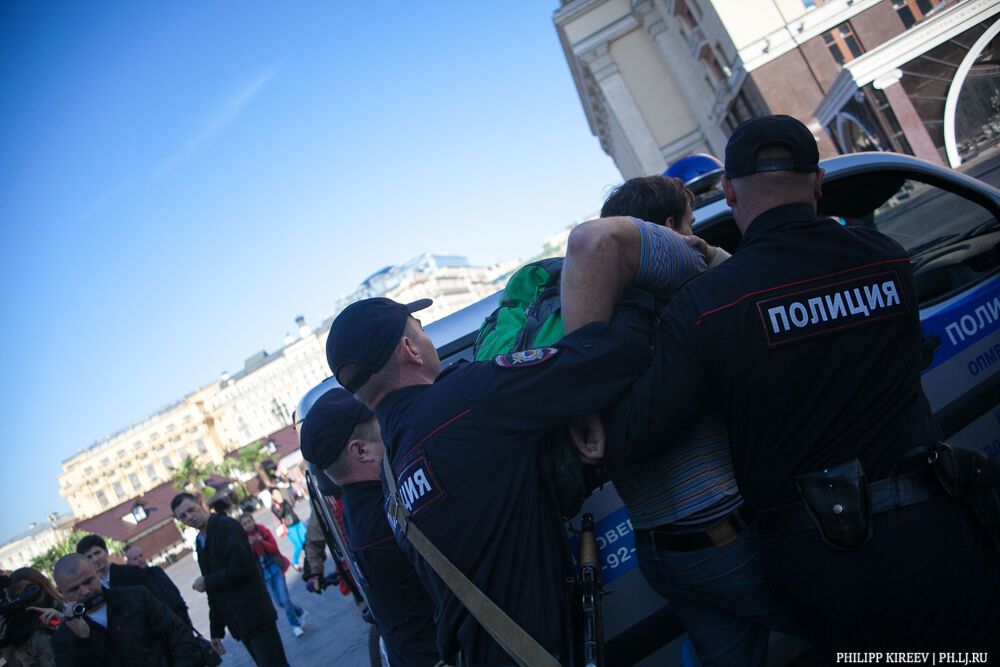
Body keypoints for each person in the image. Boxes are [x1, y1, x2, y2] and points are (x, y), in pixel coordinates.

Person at [560, 114, 1000, 651]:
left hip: (824, 558)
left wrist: (582, 399)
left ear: (729, 191)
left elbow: (634, 432)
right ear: (817, 184)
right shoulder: (887, 260)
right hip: (935, 529)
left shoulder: (711, 304)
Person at [325, 291, 661, 665]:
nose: (425, 339)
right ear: (410, 349)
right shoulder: (465, 398)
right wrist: (633, 288)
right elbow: (610, 360)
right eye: (419, 330)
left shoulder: (389, 478)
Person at [595, 175, 795, 666]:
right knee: (863, 630)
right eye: (690, 225)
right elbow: (757, 288)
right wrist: (702, 250)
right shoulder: (694, 300)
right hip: (724, 537)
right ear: (669, 232)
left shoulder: (600, 321)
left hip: (661, 550)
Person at [300, 386, 441, 667]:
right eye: (381, 429)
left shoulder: (361, 510)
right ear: (361, 451)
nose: (390, 431)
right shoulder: (391, 513)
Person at [171, 492, 289, 667]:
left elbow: (243, 569)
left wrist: (208, 582)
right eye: (183, 516)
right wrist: (216, 631)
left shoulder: (225, 526)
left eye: (191, 510)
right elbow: (214, 593)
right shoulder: (200, 541)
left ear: (200, 502)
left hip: (255, 614)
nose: (189, 517)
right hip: (240, 623)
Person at [45, 554, 201, 666]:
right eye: (74, 589)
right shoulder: (63, 638)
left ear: (97, 573)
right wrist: (81, 639)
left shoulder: (137, 597)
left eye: (88, 581)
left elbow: (179, 635)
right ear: (61, 592)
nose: (85, 591)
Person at [75, 535, 191, 628]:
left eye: (97, 553)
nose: (95, 559)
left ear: (106, 551)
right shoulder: (90, 589)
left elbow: (156, 601)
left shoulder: (131, 572)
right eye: (89, 557)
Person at [238, 513, 308, 638]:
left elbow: (274, 549)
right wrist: (250, 546)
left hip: (275, 567)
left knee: (285, 600)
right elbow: (247, 559)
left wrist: (261, 542)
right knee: (279, 602)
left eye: (249, 522)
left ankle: (295, 625)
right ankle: (299, 611)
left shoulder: (263, 531)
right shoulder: (243, 540)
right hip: (263, 574)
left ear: (253, 521)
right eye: (244, 524)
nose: (248, 525)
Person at [0, 568, 59, 667]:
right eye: (17, 597)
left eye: (31, 591)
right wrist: (5, 645)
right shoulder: (20, 631)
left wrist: (62, 622)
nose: (26, 600)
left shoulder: (69, 608)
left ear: (43, 587)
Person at [122, 544, 192, 627]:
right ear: (128, 563)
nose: (140, 560)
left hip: (180, 616)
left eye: (140, 556)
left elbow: (174, 591)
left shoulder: (157, 571)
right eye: (135, 559)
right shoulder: (133, 585)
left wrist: (184, 612)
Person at [268, 488, 306, 571]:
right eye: (276, 494)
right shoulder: (274, 507)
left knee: (306, 541)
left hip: (298, 523)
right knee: (298, 545)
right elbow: (280, 515)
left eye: (279, 493)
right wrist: (281, 504)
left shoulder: (285, 500)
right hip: (289, 527)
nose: (278, 495)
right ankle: (294, 562)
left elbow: (291, 508)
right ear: (273, 496)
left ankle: (311, 559)